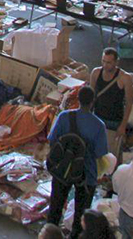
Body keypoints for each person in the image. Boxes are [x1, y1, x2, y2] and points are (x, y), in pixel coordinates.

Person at [46, 86, 109, 239]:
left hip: (63, 169)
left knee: (55, 206)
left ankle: (50, 234)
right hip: (86, 174)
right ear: (93, 102)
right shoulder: (99, 125)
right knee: (81, 214)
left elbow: (52, 140)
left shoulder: (64, 116)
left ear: (78, 99)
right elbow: (100, 153)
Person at [89, 48, 133, 147]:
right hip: (97, 116)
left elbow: (129, 103)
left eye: (109, 62)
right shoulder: (96, 73)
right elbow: (91, 96)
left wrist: (122, 125)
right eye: (103, 61)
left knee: (109, 148)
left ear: (116, 62)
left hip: (114, 121)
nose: (105, 65)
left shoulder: (125, 78)